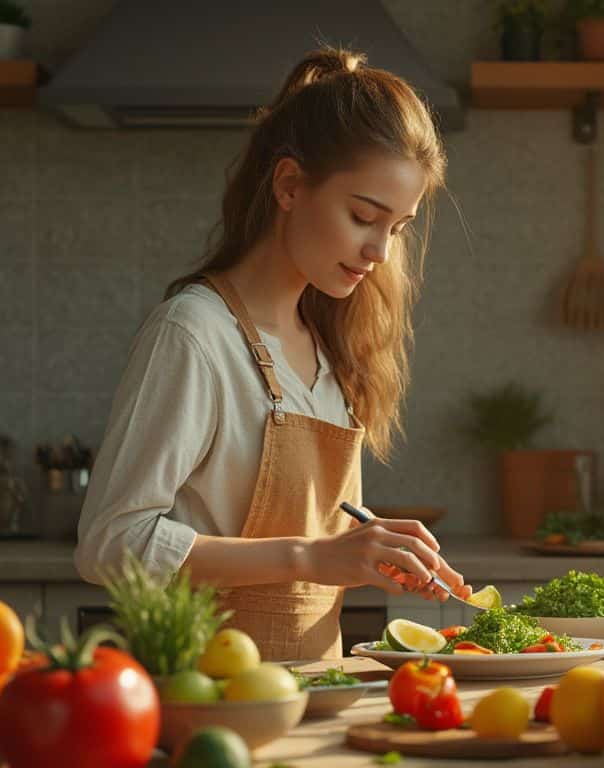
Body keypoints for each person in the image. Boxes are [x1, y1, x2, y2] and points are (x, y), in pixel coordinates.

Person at [75, 46, 470, 661]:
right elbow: (109, 545)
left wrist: (371, 550)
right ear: (289, 185)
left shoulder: (331, 346)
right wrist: (309, 556)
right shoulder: (194, 334)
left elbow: (307, 534)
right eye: (363, 216)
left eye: (397, 228)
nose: (380, 252)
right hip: (206, 694)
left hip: (317, 694)